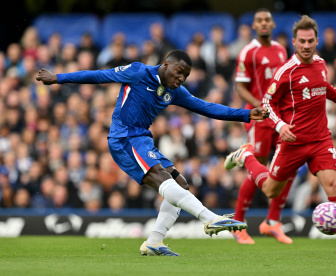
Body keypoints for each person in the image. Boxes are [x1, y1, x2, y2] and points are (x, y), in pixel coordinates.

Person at [36, 49, 269, 257]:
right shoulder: (138, 72)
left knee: (181, 183)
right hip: (124, 138)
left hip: (143, 140)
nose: (180, 79)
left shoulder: (175, 91)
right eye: (178, 72)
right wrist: (58, 78)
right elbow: (98, 76)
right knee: (163, 178)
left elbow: (207, 107)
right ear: (166, 64)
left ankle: (154, 242)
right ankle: (210, 219)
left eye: (185, 76)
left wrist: (245, 115)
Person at [225, 15, 336, 255]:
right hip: (293, 141)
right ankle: (246, 156)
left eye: (310, 41)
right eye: (302, 41)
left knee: (332, 183)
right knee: (271, 189)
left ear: (317, 40)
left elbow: (325, 88)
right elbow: (267, 102)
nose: (307, 46)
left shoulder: (321, 64)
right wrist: (280, 127)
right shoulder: (286, 72)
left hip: (320, 139)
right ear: (294, 42)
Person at [232, 8, 292, 245]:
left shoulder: (280, 49)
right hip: (259, 116)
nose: (264, 23)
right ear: (254, 26)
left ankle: (273, 222)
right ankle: (237, 225)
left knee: (287, 167)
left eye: (267, 19)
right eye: (259, 20)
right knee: (257, 167)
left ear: (273, 24)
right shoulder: (248, 52)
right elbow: (240, 87)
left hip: (280, 117)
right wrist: (261, 105)